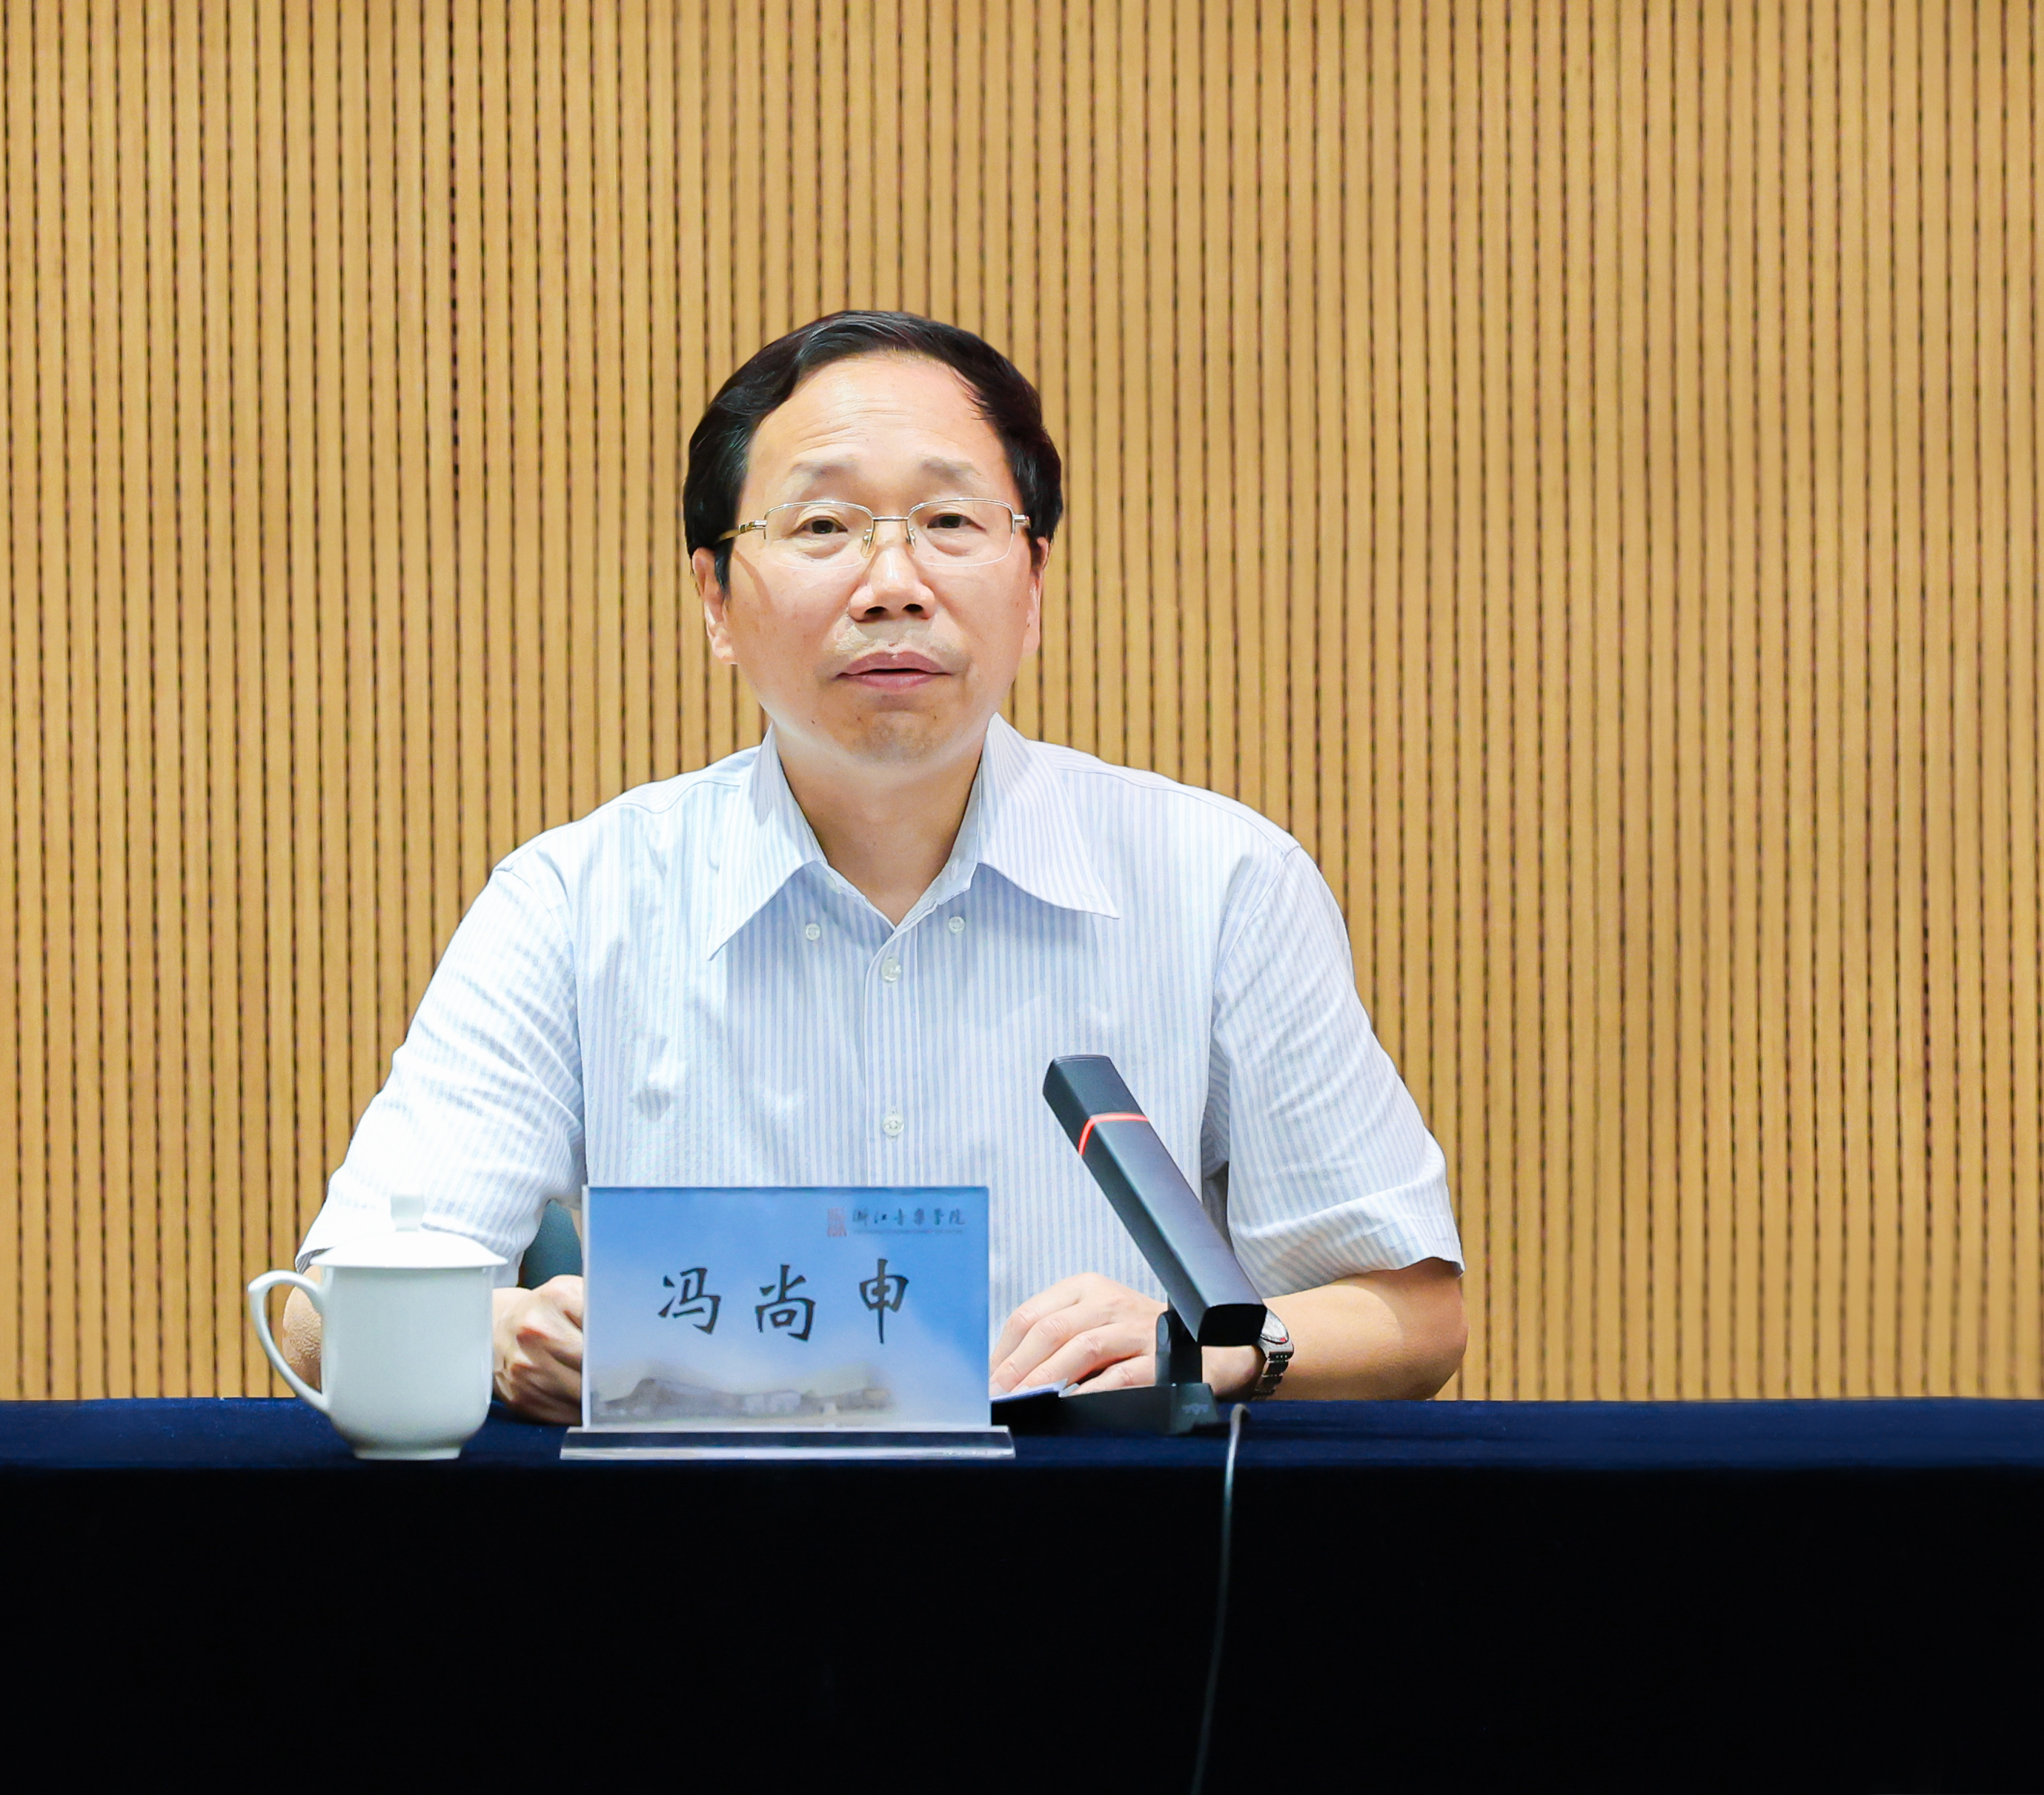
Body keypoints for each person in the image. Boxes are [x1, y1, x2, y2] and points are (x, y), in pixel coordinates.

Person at [285, 311, 1466, 1422]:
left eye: (949, 523)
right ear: (714, 598)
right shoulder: (574, 900)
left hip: (1100, 1540)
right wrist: (497, 1331)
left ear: (1032, 583)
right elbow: (319, 1312)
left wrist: (1219, 1341)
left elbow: (1412, 1313)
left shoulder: (1220, 882)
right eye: (820, 527)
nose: (893, 583)